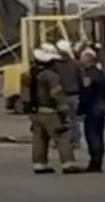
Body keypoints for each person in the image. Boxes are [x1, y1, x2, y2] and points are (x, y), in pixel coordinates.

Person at [26, 43, 71, 174]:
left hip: (35, 112)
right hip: (50, 112)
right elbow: (57, 94)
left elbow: (25, 96)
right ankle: (68, 163)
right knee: (61, 137)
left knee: (39, 138)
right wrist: (64, 111)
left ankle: (39, 164)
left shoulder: (29, 74)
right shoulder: (51, 76)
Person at [75, 46, 105, 172]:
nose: (81, 61)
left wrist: (80, 109)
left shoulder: (88, 76)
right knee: (99, 135)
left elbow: (86, 94)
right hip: (101, 108)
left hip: (92, 109)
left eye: (82, 58)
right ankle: (98, 159)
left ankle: (95, 161)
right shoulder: (100, 73)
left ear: (88, 59)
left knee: (92, 135)